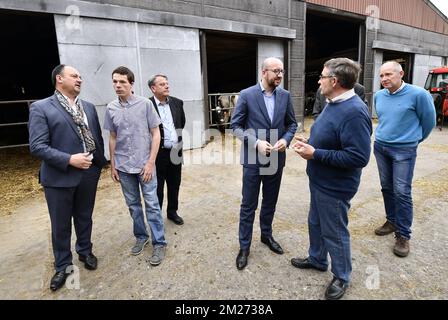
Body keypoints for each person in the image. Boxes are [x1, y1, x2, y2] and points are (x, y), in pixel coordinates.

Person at [292, 58, 372, 300]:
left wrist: (316, 153)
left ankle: (342, 275)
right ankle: (317, 259)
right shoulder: (332, 103)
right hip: (319, 179)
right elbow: (332, 137)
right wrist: (311, 143)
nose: (318, 81)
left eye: (322, 77)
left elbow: (358, 157)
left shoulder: (355, 113)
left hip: (335, 186)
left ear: (334, 81)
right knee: (315, 223)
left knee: (335, 231)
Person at [28, 64, 107, 291]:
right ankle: (63, 265)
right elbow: (37, 146)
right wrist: (69, 159)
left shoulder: (89, 107)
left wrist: (100, 164)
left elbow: (96, 138)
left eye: (81, 76)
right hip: (59, 176)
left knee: (85, 216)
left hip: (88, 173)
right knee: (60, 224)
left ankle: (85, 251)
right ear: (59, 79)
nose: (80, 79)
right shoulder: (41, 108)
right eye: (74, 76)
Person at [231, 57, 298, 270]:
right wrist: (256, 142)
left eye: (282, 71)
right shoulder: (247, 95)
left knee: (270, 202)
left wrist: (285, 140)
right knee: (249, 205)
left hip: (276, 159)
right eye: (275, 71)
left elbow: (292, 124)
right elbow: (236, 126)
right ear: (264, 72)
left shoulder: (285, 96)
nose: (279, 75)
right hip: (253, 159)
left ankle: (266, 236)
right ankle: (244, 246)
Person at [104, 66, 167, 266]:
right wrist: (112, 165)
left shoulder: (145, 105)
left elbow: (156, 134)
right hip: (123, 166)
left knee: (152, 204)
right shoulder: (111, 108)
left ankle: (159, 242)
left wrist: (150, 163)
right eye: (115, 81)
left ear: (131, 84)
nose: (118, 85)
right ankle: (141, 236)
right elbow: (112, 137)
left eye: (122, 81)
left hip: (144, 165)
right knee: (133, 205)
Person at [373, 61, 436, 257]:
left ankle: (403, 235)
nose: (384, 79)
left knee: (402, 192)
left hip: (404, 150)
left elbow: (429, 122)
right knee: (386, 187)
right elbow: (383, 119)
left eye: (388, 75)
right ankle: (391, 221)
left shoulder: (419, 95)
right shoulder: (379, 96)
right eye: (382, 75)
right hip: (381, 147)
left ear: (401, 73)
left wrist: (414, 140)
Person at [148, 74, 186, 225]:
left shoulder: (177, 103)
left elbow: (181, 123)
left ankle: (172, 212)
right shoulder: (147, 105)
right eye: (162, 84)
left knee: (174, 183)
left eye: (167, 83)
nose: (167, 86)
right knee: (157, 186)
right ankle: (157, 217)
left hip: (175, 151)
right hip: (158, 153)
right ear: (153, 88)